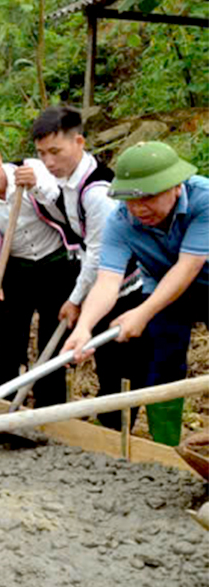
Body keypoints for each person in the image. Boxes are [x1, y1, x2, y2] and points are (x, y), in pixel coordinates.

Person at [63, 141, 206, 446]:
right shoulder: (121, 221)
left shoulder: (204, 201)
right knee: (164, 361)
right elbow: (107, 282)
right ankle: (167, 449)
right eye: (130, 199)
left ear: (176, 187)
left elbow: (188, 267)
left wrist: (142, 312)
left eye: (149, 197)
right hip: (165, 288)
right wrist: (85, 327)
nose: (139, 208)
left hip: (194, 272)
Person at [31, 106, 146, 429]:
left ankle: (115, 436)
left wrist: (76, 298)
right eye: (42, 154)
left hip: (125, 290)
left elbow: (98, 255)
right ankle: (108, 430)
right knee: (106, 364)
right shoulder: (68, 182)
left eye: (56, 152)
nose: (49, 162)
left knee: (121, 370)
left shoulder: (97, 193)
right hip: (98, 285)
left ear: (79, 142)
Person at [0, 133, 77, 407]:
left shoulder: (34, 170)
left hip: (57, 264)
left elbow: (62, 206)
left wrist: (36, 188)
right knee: (9, 341)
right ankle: (7, 405)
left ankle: (49, 408)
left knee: (52, 341)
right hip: (15, 271)